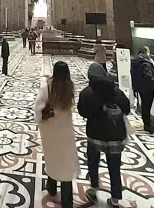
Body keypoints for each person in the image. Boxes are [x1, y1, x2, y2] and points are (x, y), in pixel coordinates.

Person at [78, 63, 131, 207]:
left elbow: (82, 111)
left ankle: (94, 188)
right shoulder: (116, 90)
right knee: (114, 166)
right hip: (116, 135)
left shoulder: (87, 92)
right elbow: (127, 108)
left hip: (95, 134)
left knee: (93, 162)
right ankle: (115, 197)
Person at [35, 61, 79, 207]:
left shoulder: (48, 86)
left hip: (51, 128)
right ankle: (67, 201)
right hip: (65, 129)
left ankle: (51, 188)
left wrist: (40, 118)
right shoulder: (70, 86)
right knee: (66, 162)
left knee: (52, 157)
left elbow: (38, 107)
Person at [131, 46, 154, 132]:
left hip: (140, 87)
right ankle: (148, 125)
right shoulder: (146, 62)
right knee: (147, 107)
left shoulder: (134, 61)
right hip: (148, 88)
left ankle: (147, 123)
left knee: (144, 106)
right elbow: (147, 75)